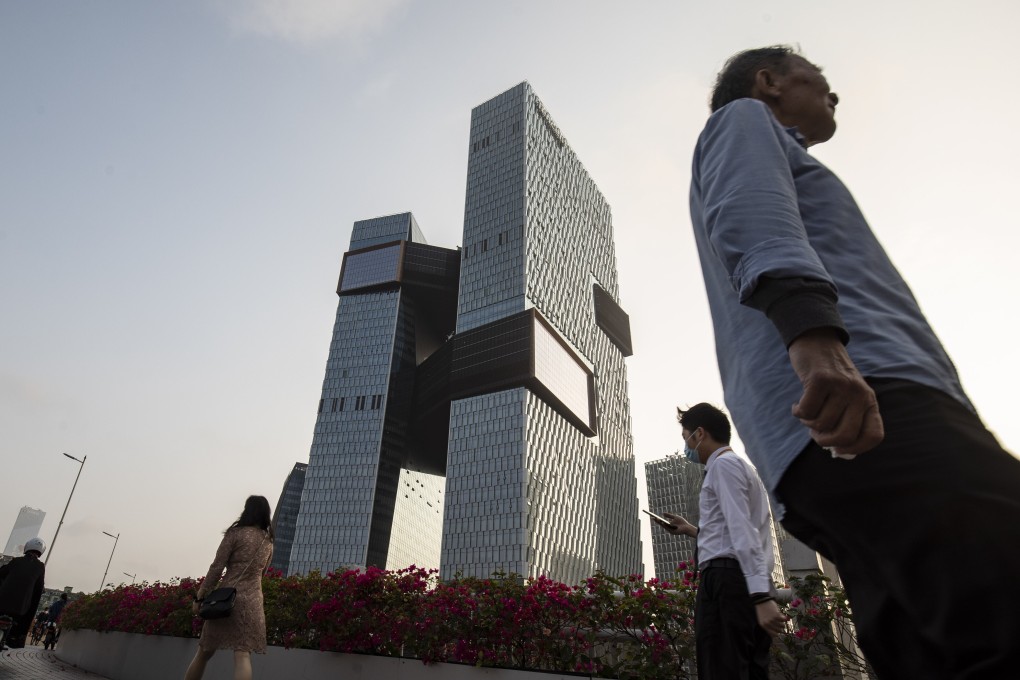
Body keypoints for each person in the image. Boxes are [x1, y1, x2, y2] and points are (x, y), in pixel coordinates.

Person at [688, 45, 1020, 679]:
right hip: (869, 401)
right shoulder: (744, 121)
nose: (835, 98)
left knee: (932, 649)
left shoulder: (775, 149)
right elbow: (751, 213)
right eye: (823, 84)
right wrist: (815, 340)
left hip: (829, 431)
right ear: (770, 82)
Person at [653, 403, 785, 680]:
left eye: (686, 437)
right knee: (749, 669)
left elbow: (741, 529)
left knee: (721, 669)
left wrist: (760, 595)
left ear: (699, 433)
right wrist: (691, 530)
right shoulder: (740, 467)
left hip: (727, 580)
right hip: (742, 579)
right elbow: (733, 530)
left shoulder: (723, 467)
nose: (687, 446)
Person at [184, 496, 274, 680]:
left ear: (247, 510)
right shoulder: (268, 542)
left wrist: (200, 597)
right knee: (242, 654)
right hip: (253, 602)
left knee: (204, 652)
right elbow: (262, 572)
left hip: (226, 598)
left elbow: (217, 567)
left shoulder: (236, 534)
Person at [0, 537, 46, 649]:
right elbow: (39, 588)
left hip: (2, 602)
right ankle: (15, 639)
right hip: (20, 608)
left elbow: (1, 573)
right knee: (24, 617)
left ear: (27, 547)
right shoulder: (40, 567)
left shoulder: (16, 561)